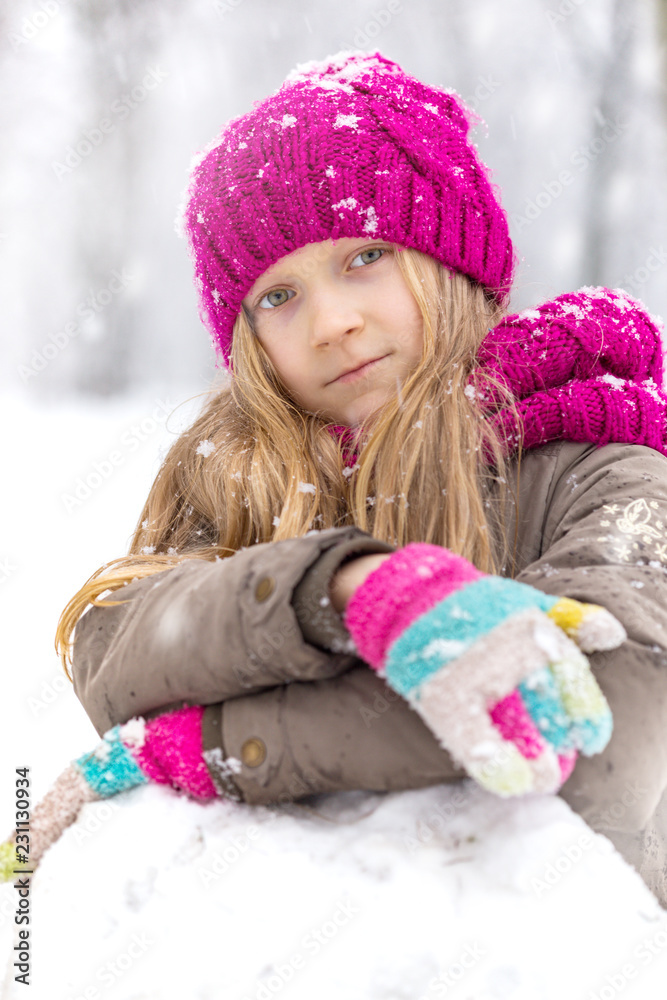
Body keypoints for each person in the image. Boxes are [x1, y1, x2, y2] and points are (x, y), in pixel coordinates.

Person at [51, 50, 667, 906]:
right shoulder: (238, 475)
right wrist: (340, 590)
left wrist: (213, 746)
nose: (332, 323)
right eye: (278, 297)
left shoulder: (603, 463)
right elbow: (114, 647)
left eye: (365, 255)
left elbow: (601, 724)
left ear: (453, 256)